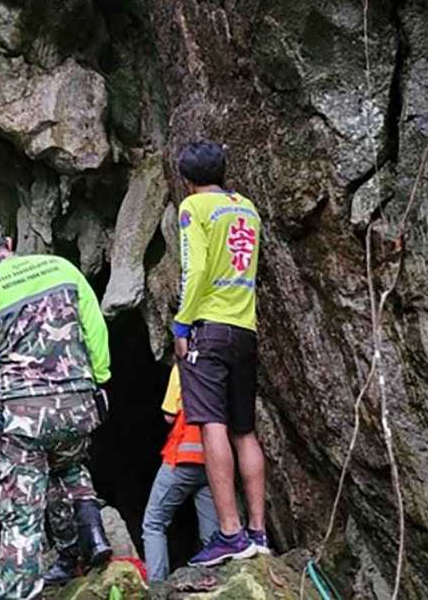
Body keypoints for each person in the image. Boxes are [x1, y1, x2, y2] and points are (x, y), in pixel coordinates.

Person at [0, 217, 112, 600]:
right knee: (67, 467)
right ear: (8, 242)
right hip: (78, 404)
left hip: (25, 415)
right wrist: (100, 380)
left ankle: (18, 593)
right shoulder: (62, 268)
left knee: (20, 514)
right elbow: (96, 329)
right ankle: (84, 542)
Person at [172, 139, 269, 566]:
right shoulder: (247, 208)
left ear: (187, 179)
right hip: (244, 328)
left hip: (208, 329)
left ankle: (230, 532)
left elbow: (195, 270)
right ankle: (258, 532)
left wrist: (182, 322)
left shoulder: (194, 208)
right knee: (244, 430)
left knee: (212, 424)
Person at [141, 364, 219, 582]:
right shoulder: (224, 365)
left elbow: (169, 415)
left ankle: (157, 586)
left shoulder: (184, 366)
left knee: (154, 522)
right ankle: (212, 581)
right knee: (211, 535)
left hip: (183, 457)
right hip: (214, 463)